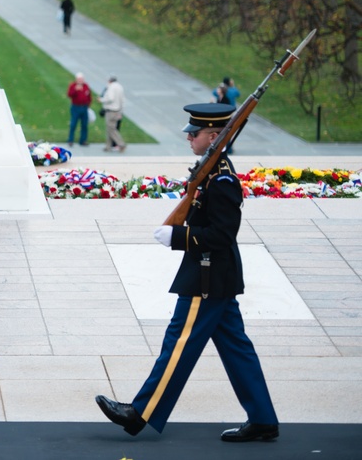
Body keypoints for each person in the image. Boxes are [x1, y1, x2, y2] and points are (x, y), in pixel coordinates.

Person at [95, 103, 279, 443]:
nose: (188, 138)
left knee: (178, 344)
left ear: (213, 136)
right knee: (237, 349)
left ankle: (140, 412)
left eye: (193, 134)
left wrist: (179, 236)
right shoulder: (212, 171)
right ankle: (263, 419)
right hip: (215, 276)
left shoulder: (222, 179)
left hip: (207, 277)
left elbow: (223, 236)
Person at [100, 75, 126, 152]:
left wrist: (102, 100)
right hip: (117, 110)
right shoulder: (120, 87)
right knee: (110, 129)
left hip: (111, 111)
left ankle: (121, 144)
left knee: (111, 129)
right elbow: (122, 100)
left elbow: (110, 98)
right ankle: (108, 146)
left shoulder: (111, 87)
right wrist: (121, 112)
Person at [66, 72, 92, 147]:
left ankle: (83, 140)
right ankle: (70, 140)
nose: (80, 80)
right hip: (75, 107)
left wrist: (88, 104)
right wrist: (75, 90)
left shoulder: (86, 86)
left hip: (84, 107)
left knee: (84, 124)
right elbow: (69, 94)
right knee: (73, 124)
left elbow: (89, 96)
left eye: (82, 79)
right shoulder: (73, 86)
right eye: (79, 79)